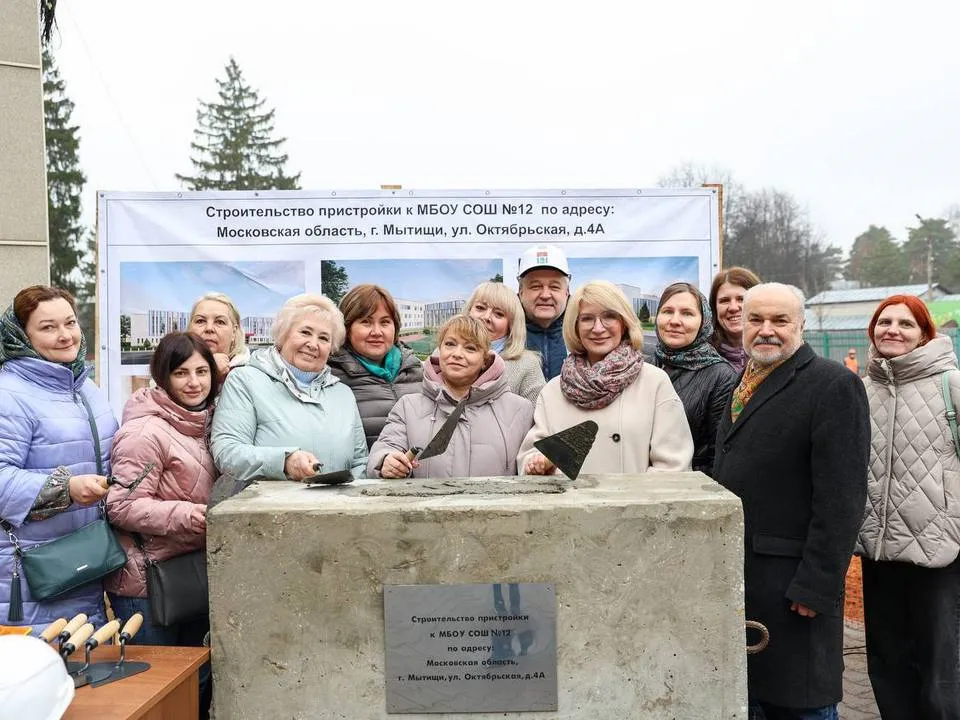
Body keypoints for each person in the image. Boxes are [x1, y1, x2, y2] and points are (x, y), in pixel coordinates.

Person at [712, 283, 870, 719]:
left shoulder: (833, 385)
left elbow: (843, 498)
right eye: (756, 320)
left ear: (800, 325)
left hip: (794, 590)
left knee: (801, 705)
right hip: (748, 581)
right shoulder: (744, 382)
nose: (766, 330)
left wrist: (817, 584)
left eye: (780, 321)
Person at [856, 295, 960, 719]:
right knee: (886, 662)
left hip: (939, 548)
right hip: (879, 549)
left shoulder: (950, 384)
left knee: (941, 668)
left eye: (905, 323)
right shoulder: (861, 389)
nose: (892, 330)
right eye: (884, 322)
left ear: (924, 334)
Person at [106, 332, 218, 718]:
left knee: (195, 681)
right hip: (146, 584)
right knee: (154, 690)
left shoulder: (205, 424)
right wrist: (193, 516)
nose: (194, 382)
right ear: (162, 377)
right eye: (181, 372)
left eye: (202, 371)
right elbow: (120, 507)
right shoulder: (144, 433)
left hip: (189, 575)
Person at [0, 286, 118, 630]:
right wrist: (66, 488)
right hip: (28, 572)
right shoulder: (9, 395)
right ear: (22, 335)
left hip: (84, 563)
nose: (65, 336)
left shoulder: (83, 386)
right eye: (48, 327)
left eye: (70, 322)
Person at [518, 281, 693, 476]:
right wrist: (538, 464)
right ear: (574, 326)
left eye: (609, 317)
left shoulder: (655, 383)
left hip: (633, 505)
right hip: (569, 505)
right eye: (587, 318)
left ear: (624, 323)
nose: (598, 328)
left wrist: (631, 504)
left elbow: (673, 468)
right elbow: (530, 456)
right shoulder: (553, 391)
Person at [211, 294, 367, 483]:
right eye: (305, 332)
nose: (313, 344)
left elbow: (361, 463)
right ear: (283, 334)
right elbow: (227, 452)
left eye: (324, 338)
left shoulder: (343, 394)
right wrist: (283, 461)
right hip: (267, 509)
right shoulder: (244, 380)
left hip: (340, 509)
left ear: (331, 348)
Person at [368, 316, 533, 479]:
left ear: (485, 359)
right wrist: (386, 461)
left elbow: (532, 460)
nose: (457, 354)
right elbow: (386, 447)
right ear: (439, 350)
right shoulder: (407, 407)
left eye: (470, 348)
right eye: (450, 344)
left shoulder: (520, 410)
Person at [654, 282, 736, 476]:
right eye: (667, 311)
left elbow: (720, 456)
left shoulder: (721, 377)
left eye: (687, 313)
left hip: (688, 491)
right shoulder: (645, 366)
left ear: (704, 322)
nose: (675, 320)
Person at [328, 285, 423, 449]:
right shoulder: (330, 378)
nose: (377, 331)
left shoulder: (417, 369)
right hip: (364, 473)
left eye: (385, 322)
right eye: (366, 322)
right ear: (346, 328)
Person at [465, 281, 545, 403]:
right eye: (480, 308)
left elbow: (538, 416)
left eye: (498, 314)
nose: (486, 317)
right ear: (469, 311)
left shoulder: (527, 364)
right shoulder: (443, 352)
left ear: (511, 325)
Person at [517, 244, 570, 381]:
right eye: (536, 286)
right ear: (521, 292)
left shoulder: (587, 334)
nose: (545, 295)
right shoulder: (503, 334)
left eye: (554, 286)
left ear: (567, 293)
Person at [708, 267, 761, 373]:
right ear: (714, 308)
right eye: (724, 300)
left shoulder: (776, 354)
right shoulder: (702, 358)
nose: (733, 307)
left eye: (742, 299)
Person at [188, 292, 250, 381]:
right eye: (200, 321)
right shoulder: (168, 367)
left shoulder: (251, 375)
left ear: (234, 332)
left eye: (220, 322)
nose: (209, 328)